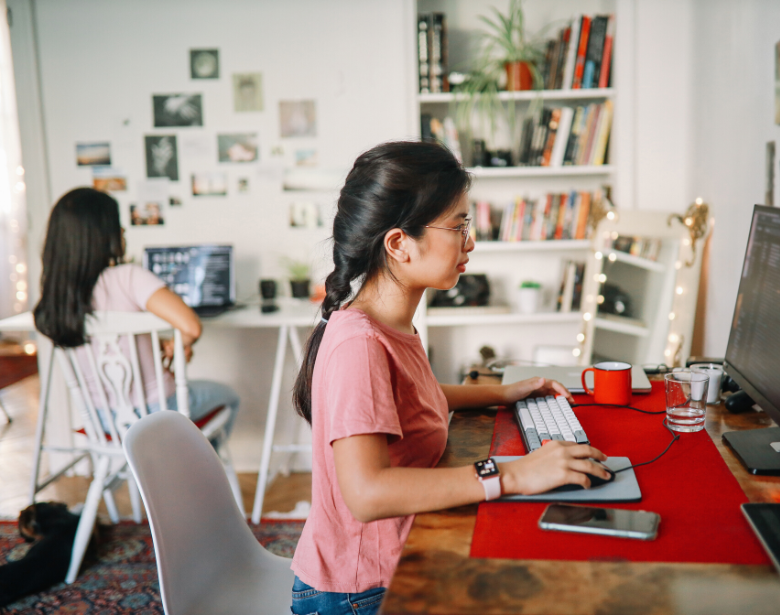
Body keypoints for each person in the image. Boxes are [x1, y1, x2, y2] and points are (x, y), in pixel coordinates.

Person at [289, 141, 610, 615]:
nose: (471, 240)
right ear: (399, 243)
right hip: (360, 592)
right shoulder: (360, 343)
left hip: (381, 572)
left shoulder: (386, 325)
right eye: (458, 225)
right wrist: (515, 474)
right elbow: (366, 493)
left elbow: (415, 398)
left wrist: (504, 392)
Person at [33, 187, 239, 443]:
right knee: (230, 396)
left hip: (101, 419)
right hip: (158, 411)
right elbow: (191, 327)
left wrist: (160, 346)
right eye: (116, 225)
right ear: (102, 234)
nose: (123, 231)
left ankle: (144, 474)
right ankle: (196, 475)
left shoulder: (56, 294)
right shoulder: (127, 277)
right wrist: (179, 344)